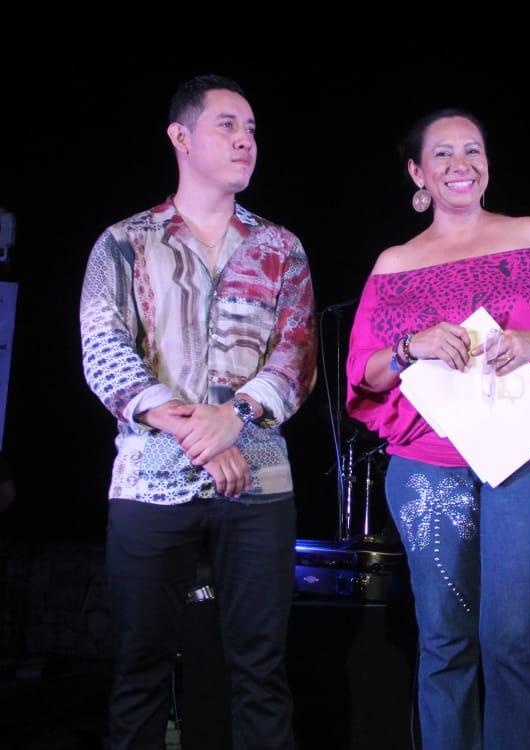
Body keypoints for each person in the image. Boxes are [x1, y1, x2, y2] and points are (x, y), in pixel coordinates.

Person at [346, 108, 530, 749]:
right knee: (444, 640)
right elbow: (364, 373)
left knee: (510, 639)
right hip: (428, 464)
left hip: (527, 458)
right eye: (442, 154)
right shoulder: (395, 263)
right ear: (418, 173)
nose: (460, 164)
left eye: (472, 150)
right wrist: (411, 346)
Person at [79, 74, 316, 749]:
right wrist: (199, 433)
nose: (246, 141)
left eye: (252, 130)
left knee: (261, 669)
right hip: (150, 481)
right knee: (140, 668)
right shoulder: (125, 241)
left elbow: (296, 354)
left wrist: (233, 417)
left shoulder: (280, 247)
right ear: (181, 137)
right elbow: (103, 349)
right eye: (227, 126)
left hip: (257, 480)